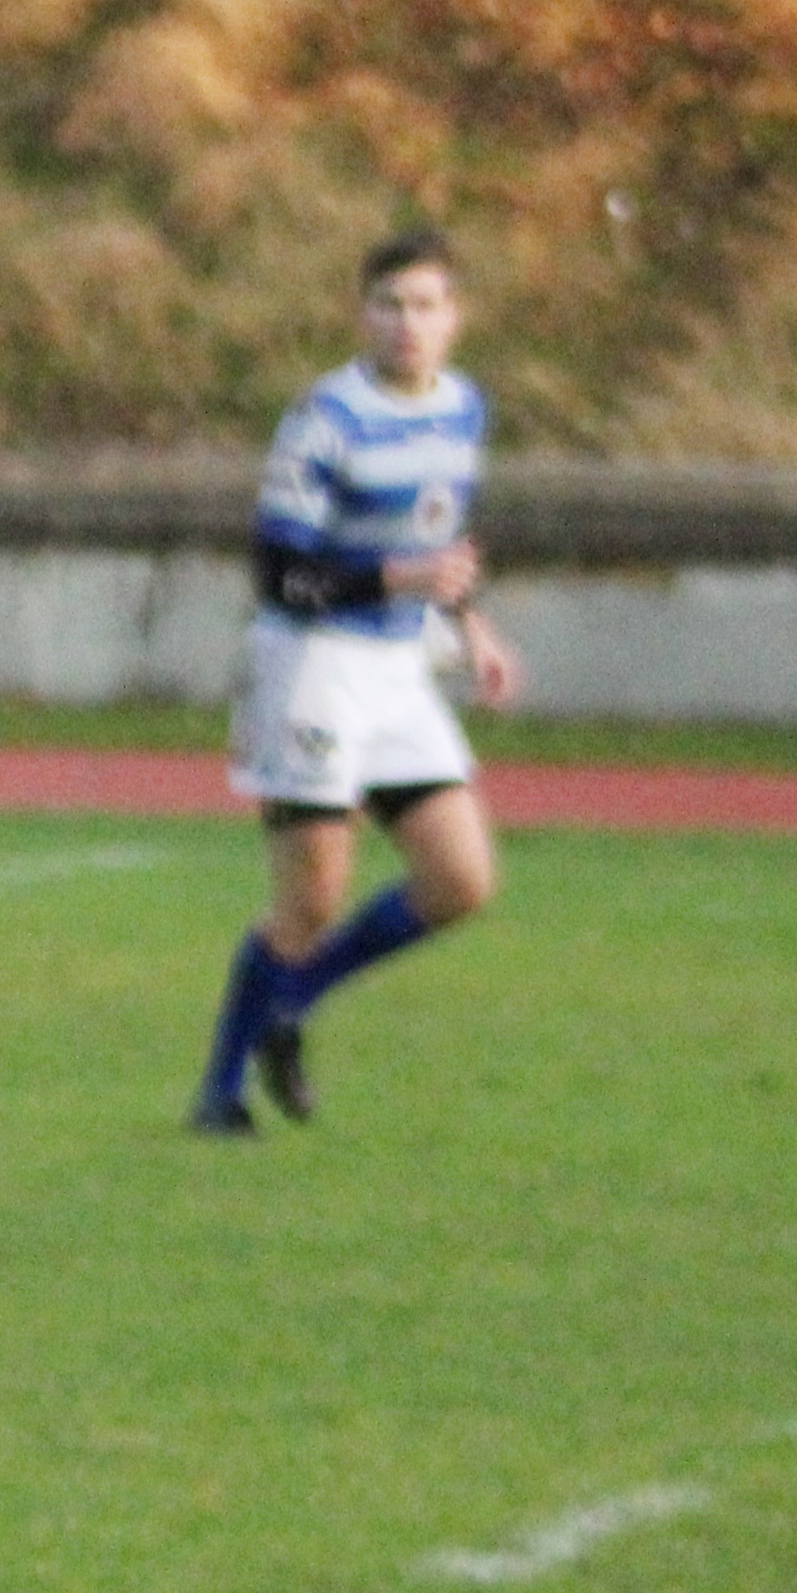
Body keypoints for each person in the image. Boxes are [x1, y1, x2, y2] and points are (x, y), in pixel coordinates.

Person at [190, 230, 515, 1134]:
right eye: (388, 304)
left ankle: (292, 1005)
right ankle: (218, 1093)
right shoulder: (325, 419)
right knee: (311, 900)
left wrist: (469, 622)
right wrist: (398, 580)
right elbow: (278, 574)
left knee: (460, 877)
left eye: (424, 305)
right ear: (360, 313)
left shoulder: (462, 409)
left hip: (399, 668)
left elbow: (442, 537)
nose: (406, 323)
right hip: (311, 670)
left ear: (454, 317)